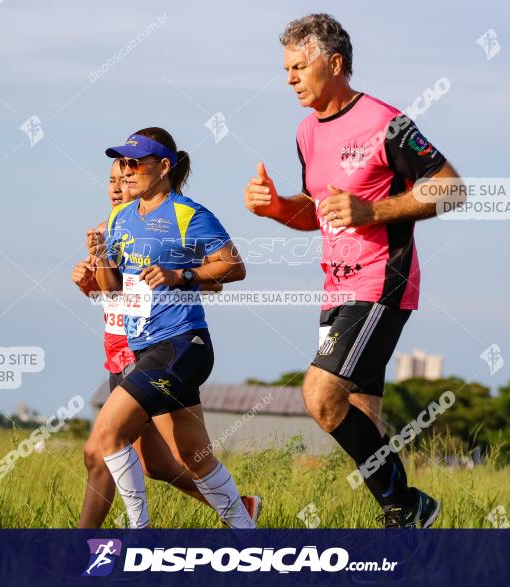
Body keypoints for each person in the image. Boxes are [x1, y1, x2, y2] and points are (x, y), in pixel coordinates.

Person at [244, 13, 462, 528]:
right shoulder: (305, 131)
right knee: (362, 415)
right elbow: (317, 211)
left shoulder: (387, 122)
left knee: (320, 395)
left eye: (299, 66)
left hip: (382, 281)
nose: (290, 78)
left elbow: (451, 187)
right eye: (286, 68)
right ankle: (402, 526)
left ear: (335, 63)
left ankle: (408, 507)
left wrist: (375, 211)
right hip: (335, 288)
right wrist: (277, 207)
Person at [83, 127, 259, 529]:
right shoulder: (119, 217)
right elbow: (112, 291)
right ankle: (248, 535)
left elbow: (233, 266)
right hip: (142, 348)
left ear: (163, 166)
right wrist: (99, 258)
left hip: (182, 344)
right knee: (193, 456)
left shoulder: (188, 213)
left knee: (109, 435)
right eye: (122, 163)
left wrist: (181, 273)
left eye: (135, 163)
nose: (126, 172)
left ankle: (139, 535)